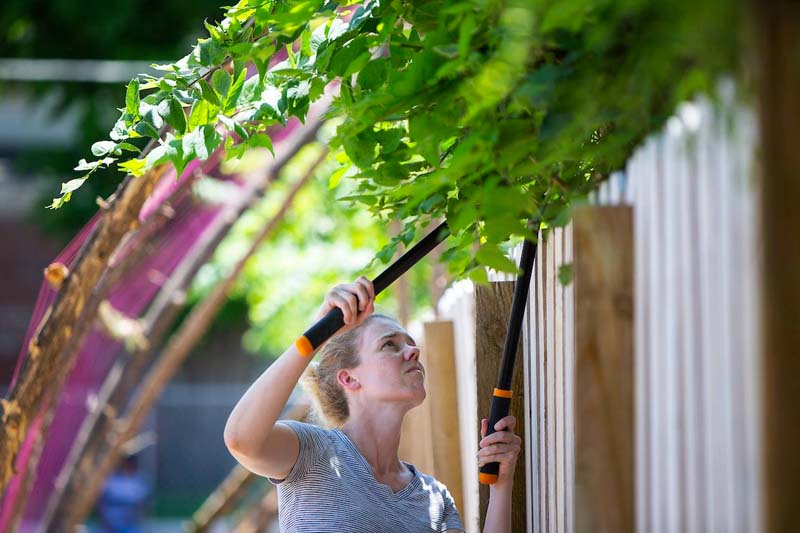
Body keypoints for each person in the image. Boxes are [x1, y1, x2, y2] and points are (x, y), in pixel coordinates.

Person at [224, 277, 522, 532]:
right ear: (349, 379)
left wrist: (501, 484)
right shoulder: (312, 453)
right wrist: (315, 334)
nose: (412, 351)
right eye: (389, 345)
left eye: (409, 343)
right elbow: (241, 439)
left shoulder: (433, 497)